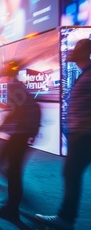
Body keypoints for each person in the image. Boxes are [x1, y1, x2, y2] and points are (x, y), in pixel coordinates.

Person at [35, 39, 91, 230]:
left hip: (84, 136)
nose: (72, 53)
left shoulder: (89, 74)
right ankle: (66, 217)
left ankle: (66, 219)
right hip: (79, 135)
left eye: (77, 50)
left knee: (71, 174)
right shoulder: (84, 73)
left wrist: (82, 128)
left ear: (84, 52)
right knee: (71, 174)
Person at [0, 60, 41, 225]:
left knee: (11, 170)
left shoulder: (13, 86)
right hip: (22, 133)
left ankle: (12, 208)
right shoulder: (17, 85)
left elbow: (15, 111)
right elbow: (16, 108)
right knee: (10, 169)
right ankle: (12, 202)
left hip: (20, 134)